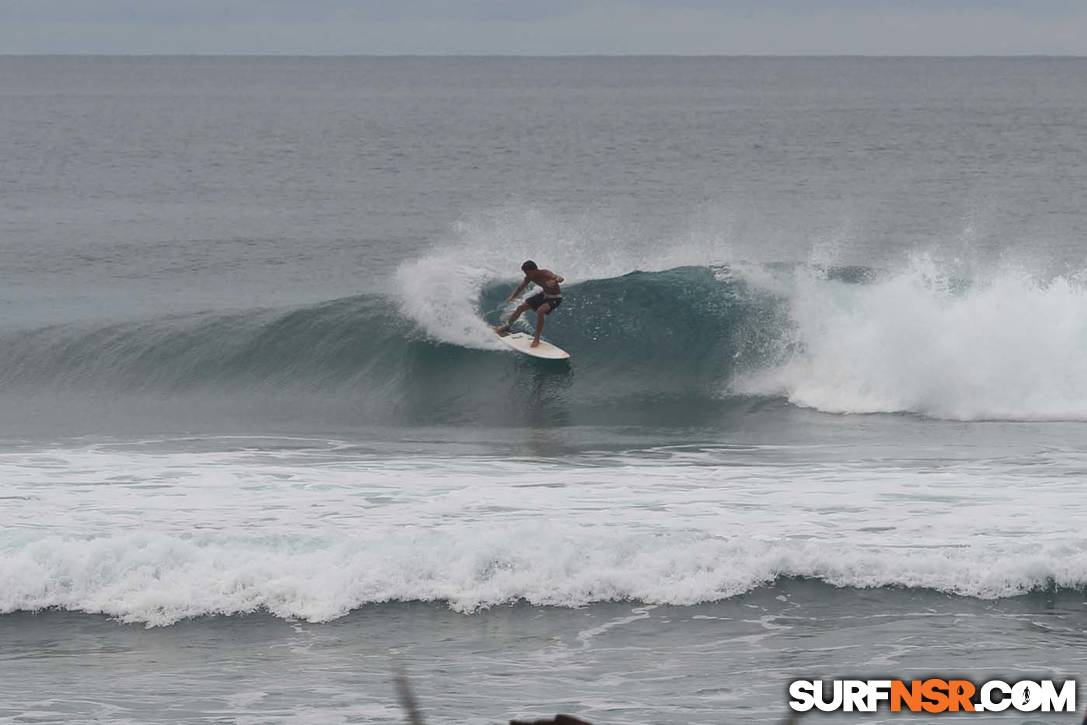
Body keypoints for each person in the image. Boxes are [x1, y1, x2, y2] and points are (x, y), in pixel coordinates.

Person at [495, 260, 564, 347]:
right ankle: (507, 326)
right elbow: (520, 287)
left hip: (555, 298)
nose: (526, 275)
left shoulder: (546, 273)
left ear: (534, 270)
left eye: (527, 272)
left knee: (540, 311)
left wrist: (555, 281)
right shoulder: (530, 277)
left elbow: (560, 278)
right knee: (520, 308)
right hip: (544, 295)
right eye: (525, 273)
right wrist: (512, 297)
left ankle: (536, 339)